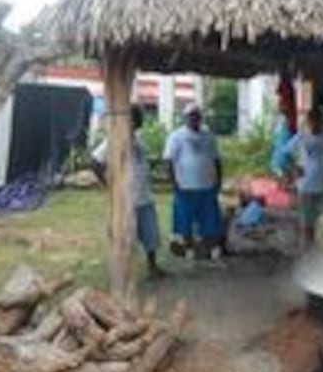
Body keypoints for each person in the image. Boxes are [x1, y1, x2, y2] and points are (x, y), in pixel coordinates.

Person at [91, 105, 167, 279]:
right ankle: (123, 273)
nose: (136, 122)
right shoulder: (115, 139)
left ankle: (152, 268)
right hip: (127, 200)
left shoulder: (138, 139)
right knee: (126, 238)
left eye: (137, 118)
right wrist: (108, 183)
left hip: (145, 196)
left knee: (151, 235)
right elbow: (95, 162)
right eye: (133, 118)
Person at [164, 103, 224, 261]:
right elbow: (169, 161)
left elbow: (217, 159)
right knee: (185, 220)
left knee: (210, 219)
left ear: (200, 117)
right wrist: (174, 183)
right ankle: (188, 248)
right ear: (185, 118)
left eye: (196, 115)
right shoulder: (176, 136)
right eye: (191, 116)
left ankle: (211, 249)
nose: (194, 118)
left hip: (207, 185)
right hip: (185, 186)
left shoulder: (209, 136)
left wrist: (219, 180)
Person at [285, 108, 323, 247]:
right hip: (306, 187)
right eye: (311, 122)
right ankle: (309, 252)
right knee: (308, 223)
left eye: (317, 121)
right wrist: (294, 169)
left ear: (321, 122)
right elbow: (287, 153)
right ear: (308, 122)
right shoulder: (302, 137)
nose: (314, 125)